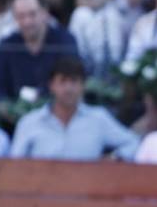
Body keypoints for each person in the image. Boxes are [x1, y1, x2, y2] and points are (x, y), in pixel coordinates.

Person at [10, 55, 141, 158]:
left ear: (83, 86)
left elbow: (133, 143)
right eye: (62, 81)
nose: (68, 88)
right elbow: (14, 164)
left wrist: (114, 158)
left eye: (73, 81)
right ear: (51, 86)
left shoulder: (98, 119)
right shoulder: (30, 122)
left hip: (87, 189)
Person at [0, 0, 79, 104]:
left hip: (56, 110)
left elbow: (72, 81)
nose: (27, 22)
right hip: (13, 117)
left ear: (45, 12)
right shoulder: (6, 46)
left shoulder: (65, 41)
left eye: (32, 14)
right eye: (21, 16)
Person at [68, 0, 143, 75]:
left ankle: (114, 71)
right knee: (80, 15)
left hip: (127, 16)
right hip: (96, 14)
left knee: (111, 16)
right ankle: (81, 67)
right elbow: (81, 1)